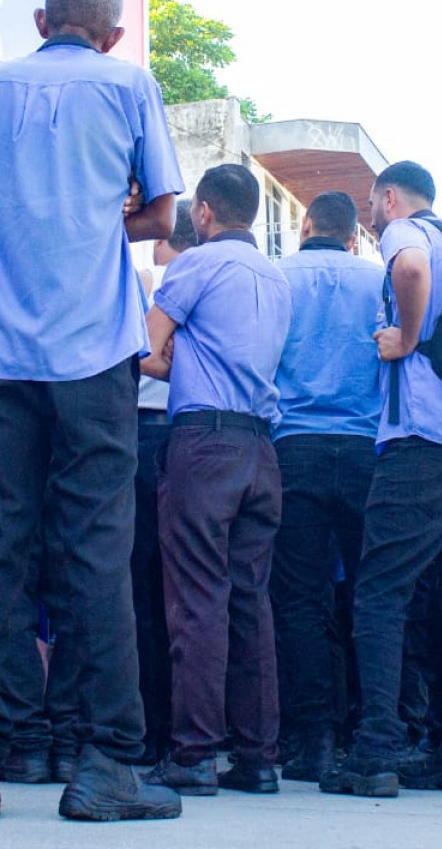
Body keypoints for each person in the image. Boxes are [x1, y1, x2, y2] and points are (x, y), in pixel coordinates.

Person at [0, 0, 183, 823]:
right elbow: (165, 220)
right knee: (97, 553)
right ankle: (105, 762)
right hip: (93, 352)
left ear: (42, 19)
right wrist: (108, 216)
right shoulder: (129, 84)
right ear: (112, 34)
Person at [319, 161, 442, 798]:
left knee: (380, 589)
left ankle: (374, 753)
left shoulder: (410, 235)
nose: (372, 219)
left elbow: (406, 270)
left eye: (373, 204)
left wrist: (404, 336)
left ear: (390, 197)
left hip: (424, 439)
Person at [139, 163, 291, 797]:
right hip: (261, 446)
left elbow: (143, 350)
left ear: (202, 212)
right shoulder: (277, 278)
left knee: (196, 600)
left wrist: (175, 359)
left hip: (204, 444)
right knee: (250, 601)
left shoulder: (195, 265)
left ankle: (194, 752)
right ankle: (257, 757)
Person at [268, 189, 382, 781]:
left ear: (307, 224)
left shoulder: (276, 276)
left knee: (299, 598)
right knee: (372, 597)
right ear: (353, 232)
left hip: (295, 448)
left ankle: (311, 739)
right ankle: (372, 731)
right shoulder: (379, 281)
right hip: (366, 448)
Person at [132, 200, 197, 766]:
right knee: (182, 591)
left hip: (143, 436)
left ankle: (149, 730)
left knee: (140, 587)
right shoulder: (221, 283)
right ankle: (182, 731)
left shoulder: (151, 283)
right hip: (188, 437)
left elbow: (142, 356)